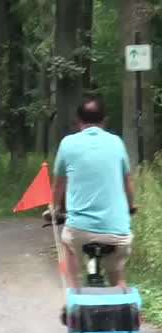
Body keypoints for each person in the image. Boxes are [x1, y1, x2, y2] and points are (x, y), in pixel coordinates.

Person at [52, 97, 136, 289]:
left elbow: (58, 186)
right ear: (104, 121)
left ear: (78, 121)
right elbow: (128, 183)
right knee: (116, 269)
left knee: (67, 244)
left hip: (79, 231)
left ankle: (74, 294)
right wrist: (131, 206)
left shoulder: (67, 144)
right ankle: (121, 297)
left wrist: (55, 208)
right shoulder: (117, 143)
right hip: (117, 233)